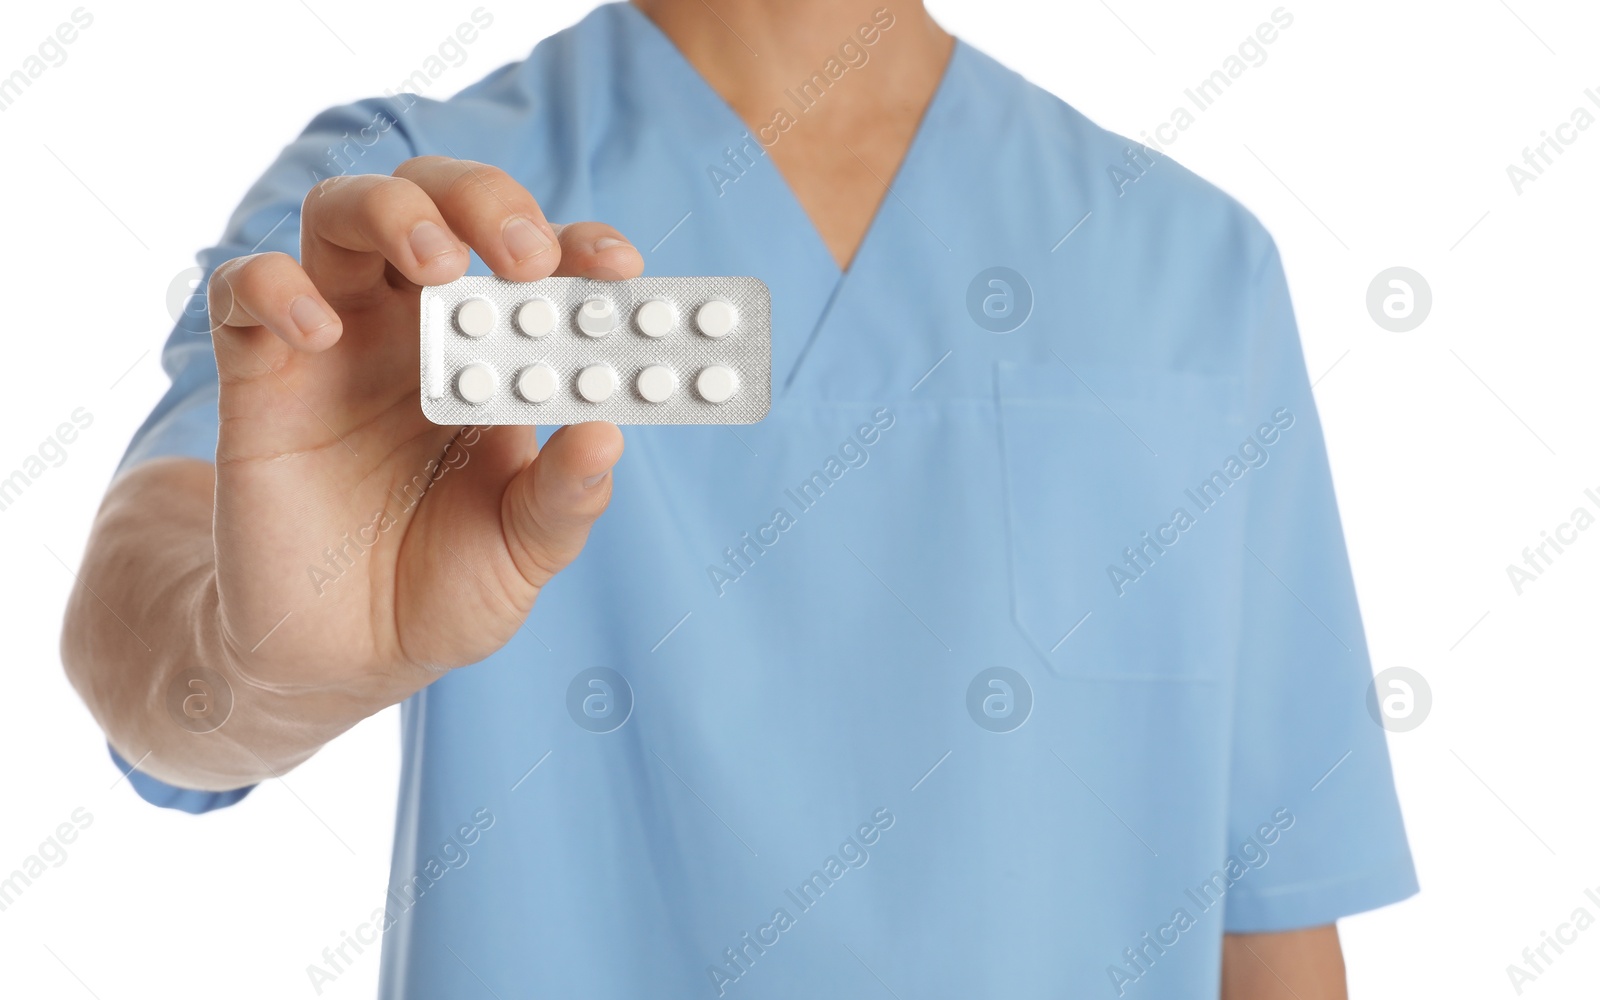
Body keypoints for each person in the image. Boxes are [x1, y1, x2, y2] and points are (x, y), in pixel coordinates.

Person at [61, 2, 1416, 996]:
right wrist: (261, 662)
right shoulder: (407, 230)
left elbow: (1271, 917)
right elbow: (156, 614)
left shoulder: (1193, 266)